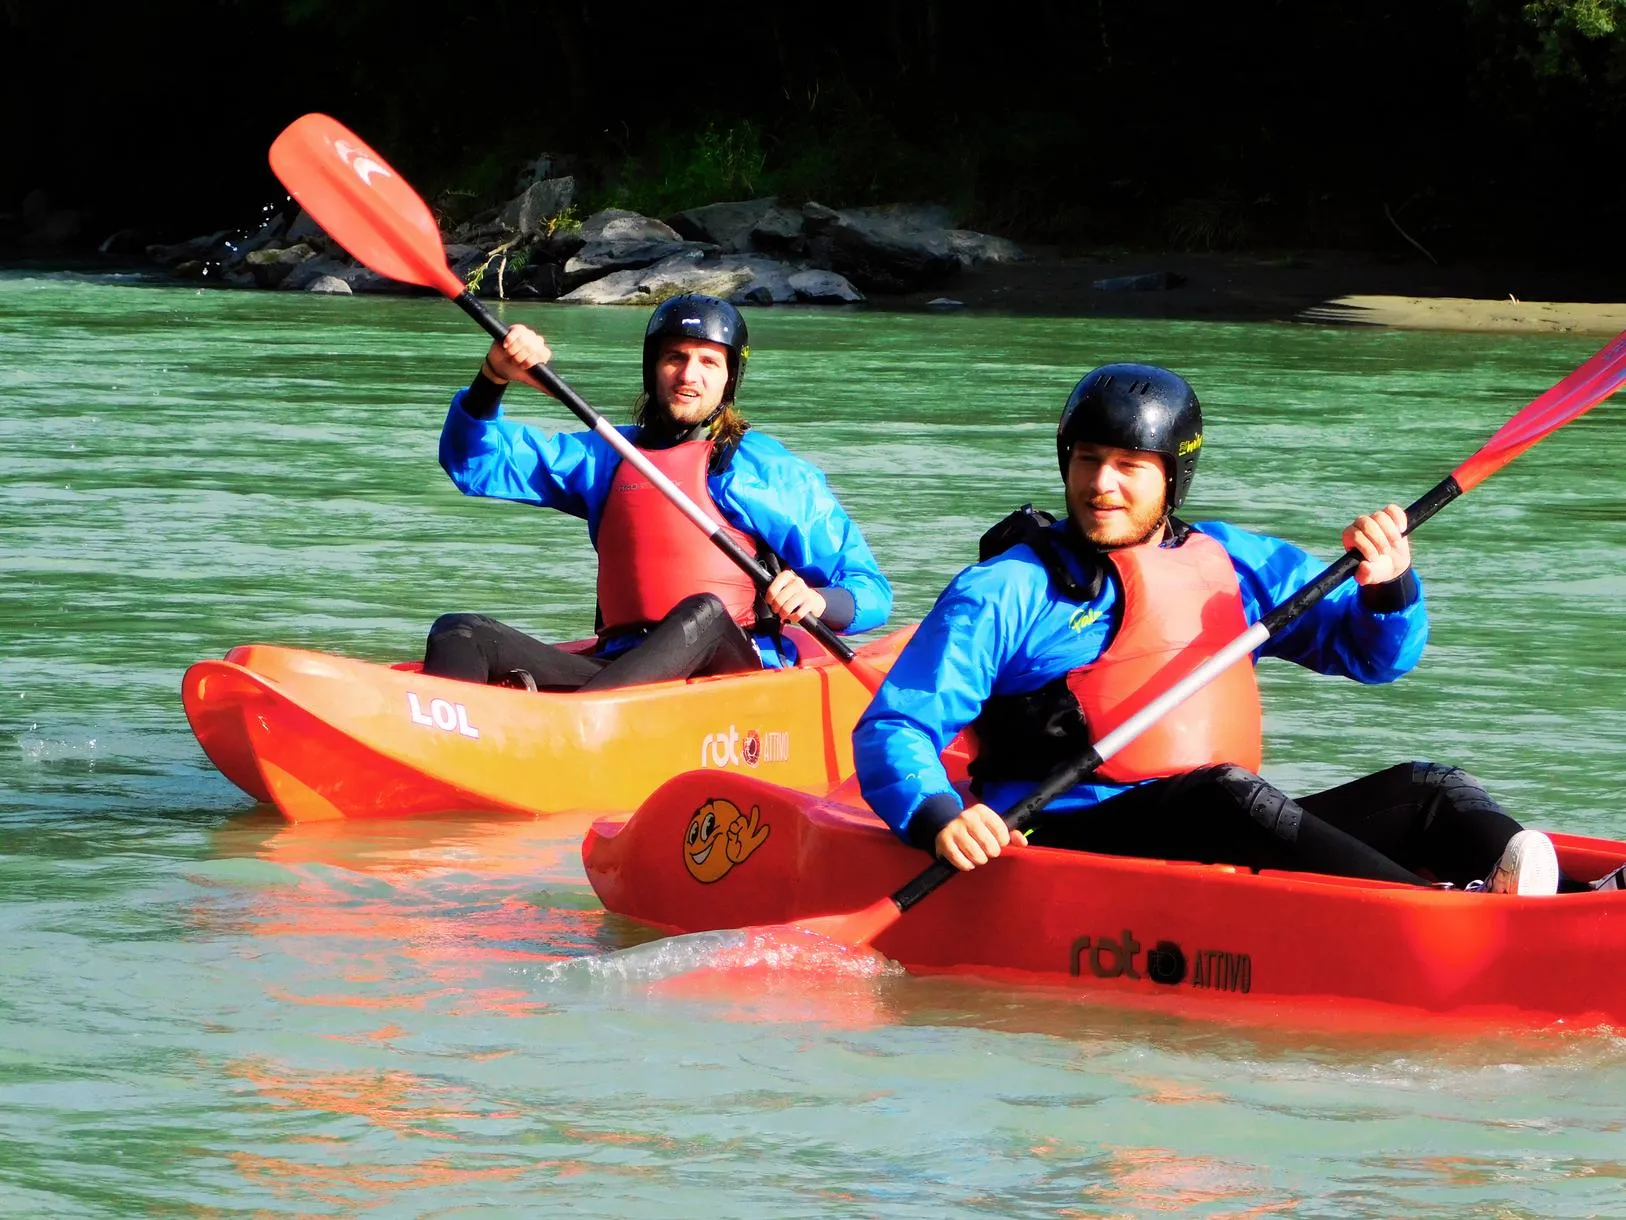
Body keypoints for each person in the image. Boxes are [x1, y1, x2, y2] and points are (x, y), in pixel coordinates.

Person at [854, 362, 1567, 895]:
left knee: (1431, 789)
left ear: (1173, 479)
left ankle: (1563, 901)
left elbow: (1375, 657)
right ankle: (1443, 920)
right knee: (1224, 794)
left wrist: (1389, 585)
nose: (1102, 484)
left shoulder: (1230, 562)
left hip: (1214, 824)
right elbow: (895, 727)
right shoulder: (1008, 588)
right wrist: (940, 815)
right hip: (1067, 836)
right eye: (1088, 461)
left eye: (1130, 466)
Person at [424, 294, 892, 691]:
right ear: (653, 368)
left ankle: (582, 724)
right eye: (676, 357)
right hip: (621, 666)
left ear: (730, 378)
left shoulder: (766, 470)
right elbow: (474, 462)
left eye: (709, 361)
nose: (689, 375)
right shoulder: (608, 454)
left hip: (727, 672)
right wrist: (494, 376)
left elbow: (869, 590)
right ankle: (443, 753)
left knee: (703, 613)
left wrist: (818, 601)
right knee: (459, 632)